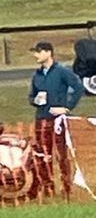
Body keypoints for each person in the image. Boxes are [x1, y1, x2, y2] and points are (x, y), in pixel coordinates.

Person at [29, 41, 84, 194]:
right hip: (41, 118)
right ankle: (48, 186)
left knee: (61, 154)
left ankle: (66, 187)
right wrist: (35, 100)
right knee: (43, 153)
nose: (36, 55)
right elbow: (31, 96)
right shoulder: (37, 75)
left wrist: (66, 108)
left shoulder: (61, 71)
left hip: (57, 120)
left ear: (48, 52)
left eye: (38, 52)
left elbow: (78, 87)